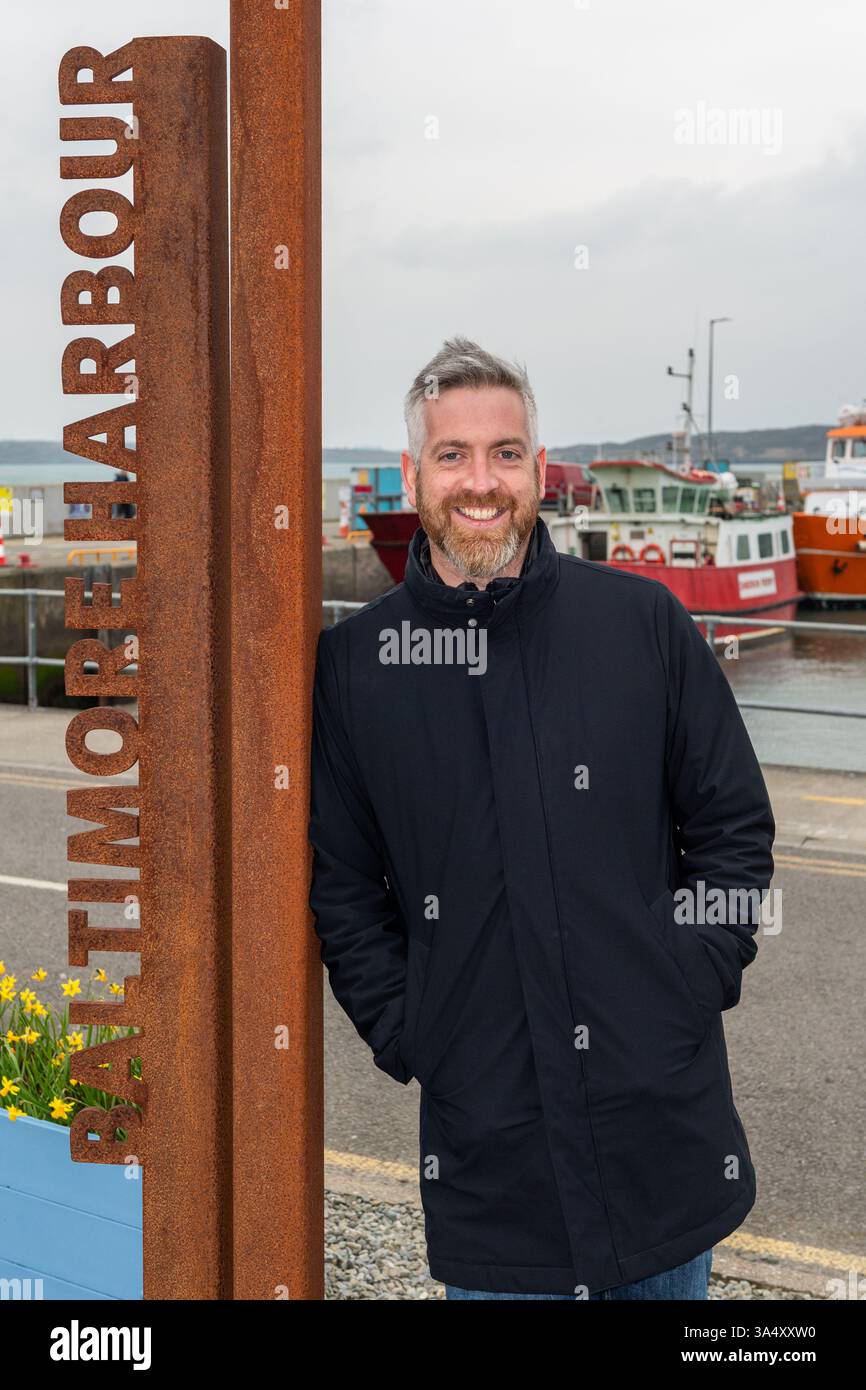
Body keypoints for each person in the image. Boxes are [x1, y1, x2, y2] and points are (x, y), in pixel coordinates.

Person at [308, 336, 774, 1300]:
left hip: (664, 1148)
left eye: (505, 452)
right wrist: (414, 1033)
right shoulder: (357, 670)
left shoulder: (643, 625)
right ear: (413, 474)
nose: (482, 481)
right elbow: (345, 891)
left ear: (537, 468)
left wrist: (683, 986)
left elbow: (733, 835)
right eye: (453, 454)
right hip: (493, 1171)